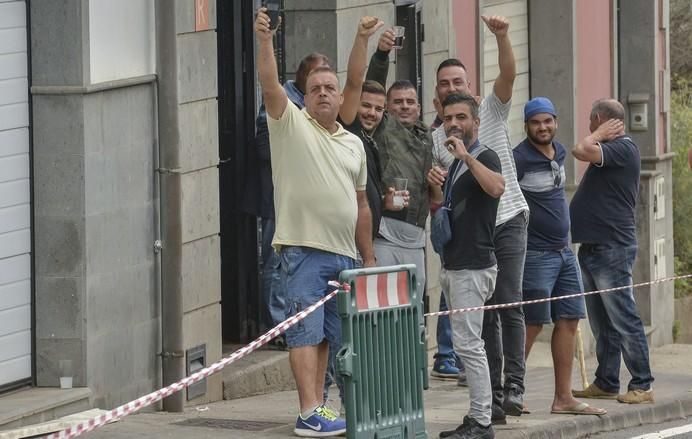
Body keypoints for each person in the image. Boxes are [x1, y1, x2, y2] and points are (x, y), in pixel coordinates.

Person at [255, 9, 378, 437]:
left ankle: (320, 407)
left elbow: (361, 205)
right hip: (303, 249)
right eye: (316, 88)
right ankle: (308, 411)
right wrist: (265, 40)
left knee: (327, 335)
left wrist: (367, 253)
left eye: (330, 87)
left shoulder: (351, 143)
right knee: (304, 333)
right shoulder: (289, 125)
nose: (325, 93)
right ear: (303, 97)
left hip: (343, 255)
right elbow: (269, 84)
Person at [428, 15, 529, 422]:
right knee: (481, 316)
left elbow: (507, 73)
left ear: (469, 85)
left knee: (508, 302)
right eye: (445, 84)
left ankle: (514, 390)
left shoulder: (487, 109)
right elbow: (447, 195)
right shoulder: (439, 136)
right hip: (470, 239)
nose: (452, 88)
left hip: (507, 219)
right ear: (437, 95)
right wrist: (434, 185)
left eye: (458, 81)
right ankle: (493, 396)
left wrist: (503, 36)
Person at [515, 97, 606, 416]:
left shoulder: (562, 152)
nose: (543, 127)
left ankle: (563, 398)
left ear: (555, 121)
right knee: (532, 324)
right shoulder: (518, 159)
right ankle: (507, 393)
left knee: (569, 319)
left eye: (547, 121)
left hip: (565, 252)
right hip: (535, 255)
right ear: (526, 126)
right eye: (536, 122)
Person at [429, 92, 505, 439]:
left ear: (475, 121)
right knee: (467, 343)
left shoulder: (483, 155)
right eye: (448, 118)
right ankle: (477, 417)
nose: (454, 124)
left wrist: (466, 158)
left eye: (461, 117)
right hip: (456, 263)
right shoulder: (456, 161)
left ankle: (481, 422)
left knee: (469, 345)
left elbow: (497, 188)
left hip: (473, 266)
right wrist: (436, 190)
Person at [570, 99, 655, 405]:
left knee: (623, 318)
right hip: (594, 246)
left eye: (593, 122)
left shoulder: (622, 148)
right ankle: (606, 381)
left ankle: (642, 384)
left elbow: (581, 150)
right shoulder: (614, 150)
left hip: (612, 247)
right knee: (602, 322)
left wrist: (597, 135)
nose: (589, 127)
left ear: (600, 120)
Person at [255, 52, 330, 336]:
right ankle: (277, 325)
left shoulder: (319, 106)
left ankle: (294, 318)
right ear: (302, 76)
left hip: (310, 200)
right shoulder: (282, 102)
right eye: (315, 78)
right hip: (280, 198)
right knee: (275, 262)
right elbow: (265, 148)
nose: (322, 88)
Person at [365, 30, 433, 297]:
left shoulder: (428, 135)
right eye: (397, 102)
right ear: (387, 108)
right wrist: (382, 55)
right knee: (385, 309)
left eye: (410, 102)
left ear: (419, 106)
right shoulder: (384, 127)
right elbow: (373, 87)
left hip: (417, 240)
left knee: (413, 312)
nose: (404, 106)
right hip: (386, 234)